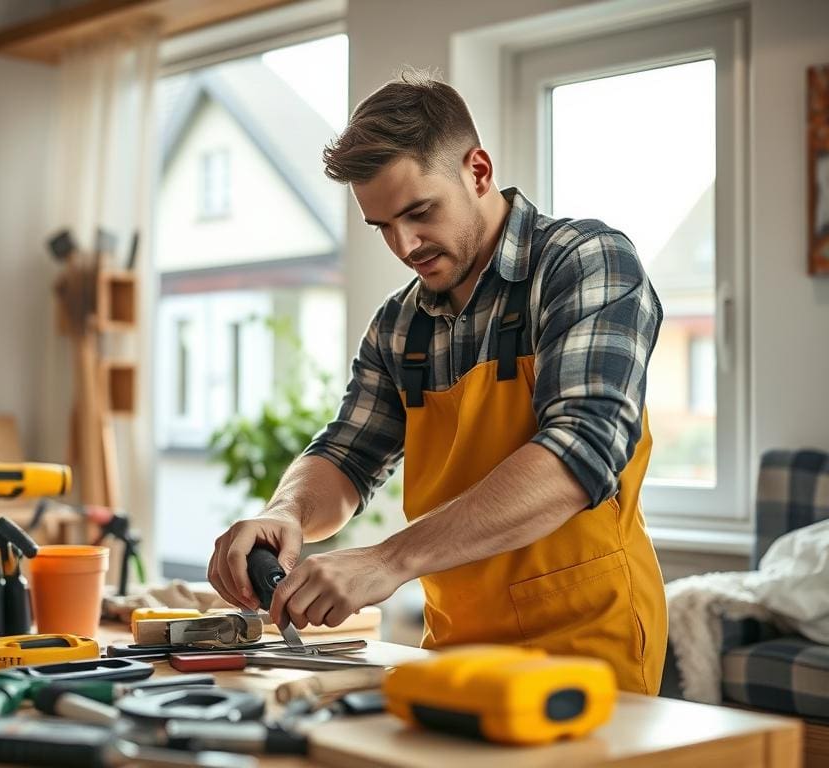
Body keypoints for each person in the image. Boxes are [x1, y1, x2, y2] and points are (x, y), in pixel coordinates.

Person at [208, 70, 667, 694]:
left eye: (419, 212)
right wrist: (283, 513)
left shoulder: (584, 263)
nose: (405, 245)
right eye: (383, 227)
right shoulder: (399, 324)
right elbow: (348, 453)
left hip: (586, 650)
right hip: (453, 654)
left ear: (477, 171)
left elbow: (579, 453)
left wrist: (385, 561)